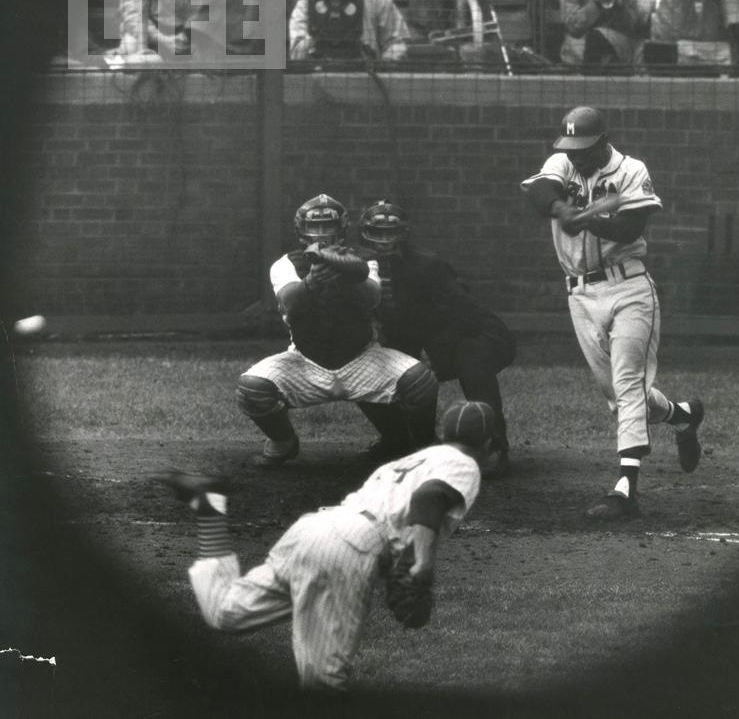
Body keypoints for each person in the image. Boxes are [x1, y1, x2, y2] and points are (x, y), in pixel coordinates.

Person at [150, 399, 496, 689]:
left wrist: (398, 567)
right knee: (324, 682)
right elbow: (428, 498)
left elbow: (402, 514)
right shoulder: (465, 463)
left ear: (444, 433)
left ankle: (208, 505)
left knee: (226, 612)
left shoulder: (409, 461)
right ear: (489, 442)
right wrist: (424, 564)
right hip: (349, 545)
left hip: (315, 529)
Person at [519, 106, 705, 521]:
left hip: (629, 289)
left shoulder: (632, 170)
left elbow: (630, 227)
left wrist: (587, 221)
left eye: (585, 147)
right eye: (572, 147)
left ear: (604, 140)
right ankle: (683, 415)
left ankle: (625, 490)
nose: (577, 155)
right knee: (620, 396)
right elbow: (540, 191)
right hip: (580, 295)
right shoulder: (562, 162)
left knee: (627, 384)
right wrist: (559, 209)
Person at [237, 194, 438, 468]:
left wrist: (350, 274)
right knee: (252, 388)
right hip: (305, 360)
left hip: (361, 358)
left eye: (328, 226)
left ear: (341, 229)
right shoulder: (286, 263)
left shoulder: (365, 259)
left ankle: (425, 446)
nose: (322, 234)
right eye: (315, 227)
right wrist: (310, 283)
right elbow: (289, 304)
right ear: (300, 231)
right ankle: (283, 441)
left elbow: (372, 297)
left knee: (419, 381)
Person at [355, 200, 516, 478]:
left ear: (404, 233)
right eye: (376, 233)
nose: (384, 241)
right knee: (359, 364)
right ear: (363, 233)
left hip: (471, 333)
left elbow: (463, 314)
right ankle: (399, 439)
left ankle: (494, 445)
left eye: (391, 233)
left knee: (471, 360)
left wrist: (434, 352)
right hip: (410, 336)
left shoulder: (428, 266)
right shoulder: (354, 267)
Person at [288, 0, 410, 61]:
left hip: (366, 78)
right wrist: (317, 32)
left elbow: (397, 43)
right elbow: (296, 55)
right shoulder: (306, 3)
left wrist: (383, 67)